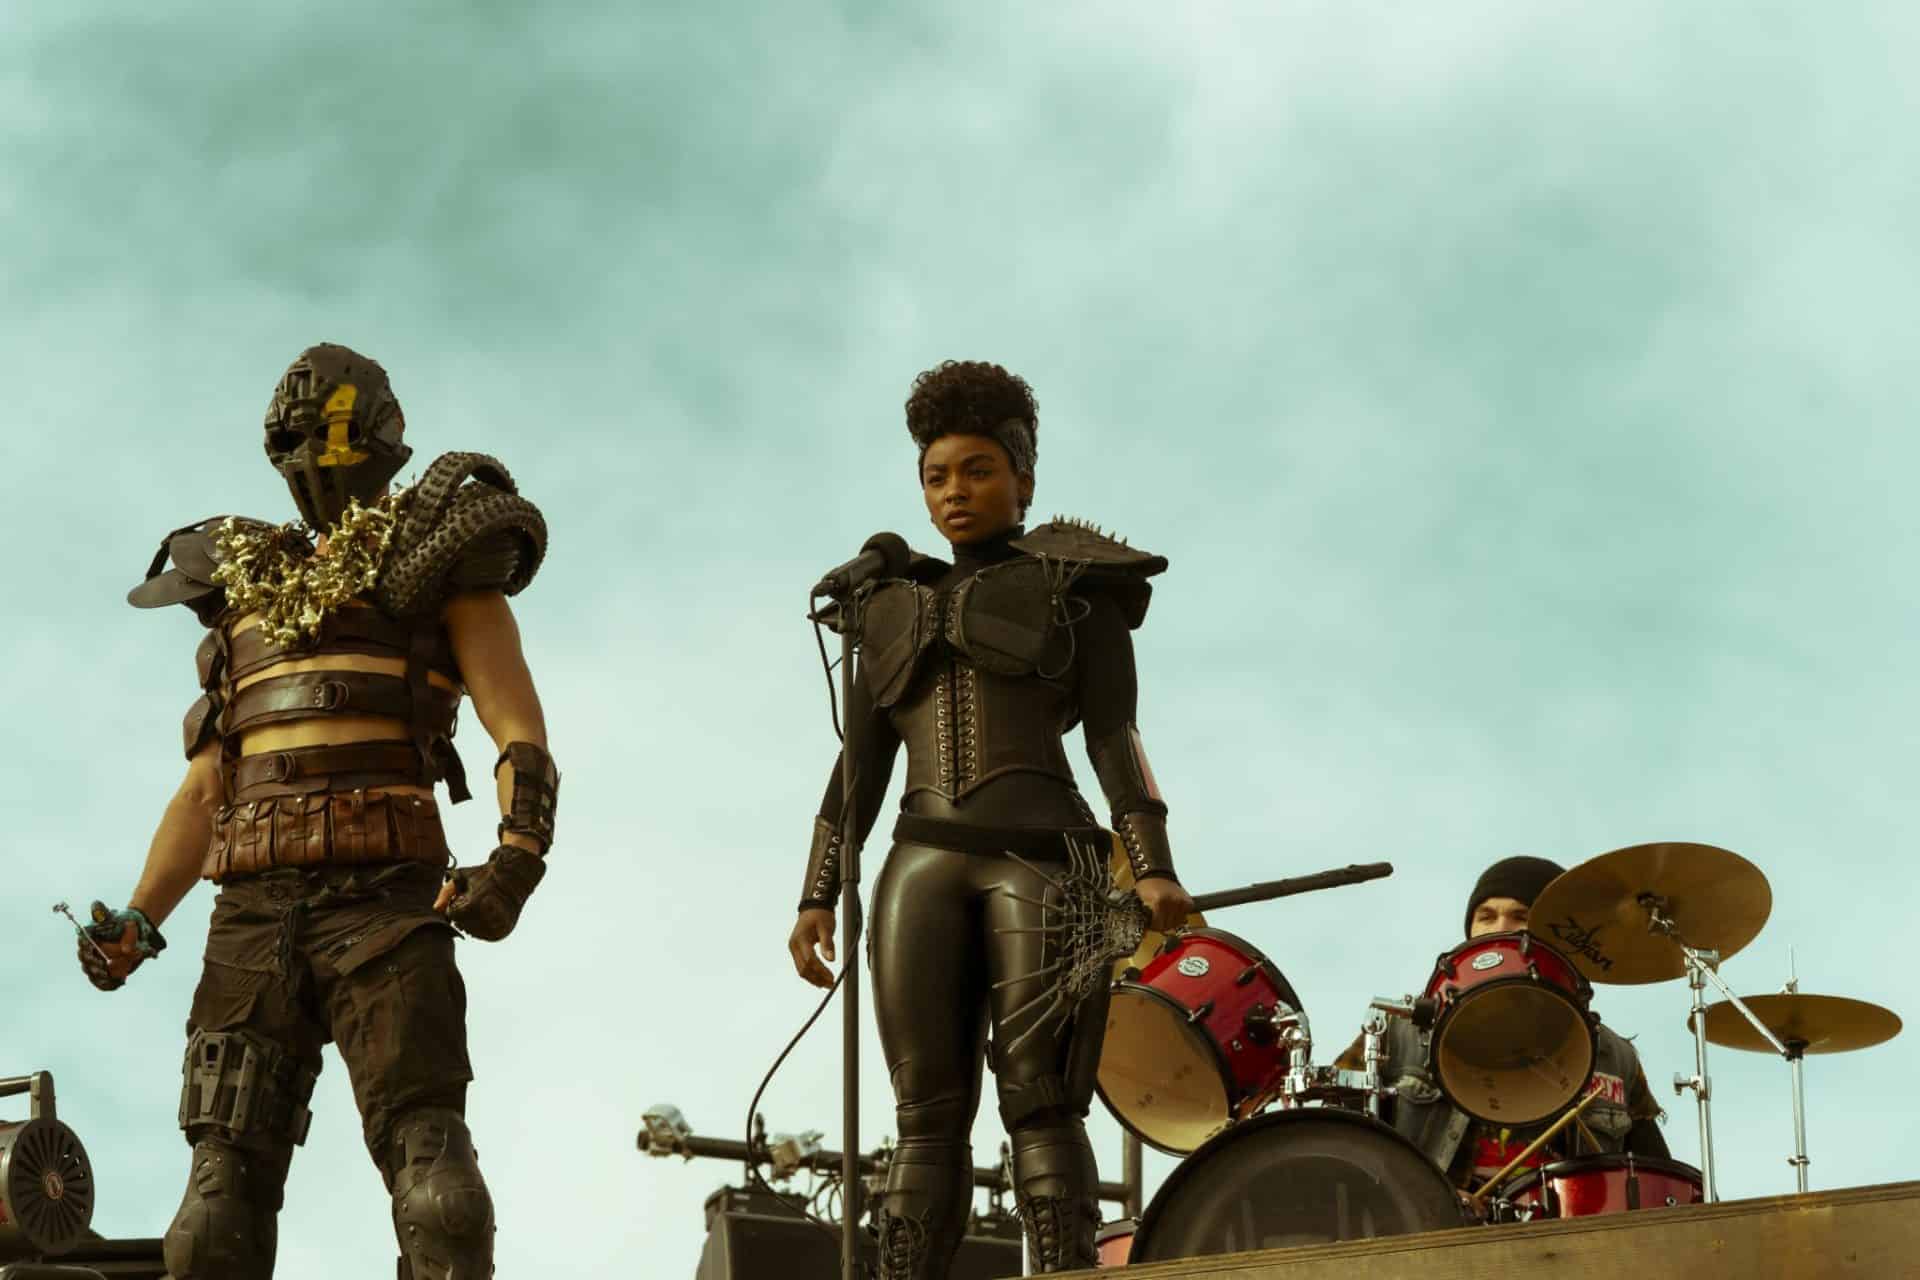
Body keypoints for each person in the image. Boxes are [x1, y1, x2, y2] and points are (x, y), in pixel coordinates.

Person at [78, 343, 558, 1280]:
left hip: (385, 902)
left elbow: (518, 730)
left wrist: (518, 853)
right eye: (294, 435)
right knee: (212, 1219)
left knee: (439, 1194)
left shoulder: (441, 562)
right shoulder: (240, 592)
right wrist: (139, 918)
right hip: (251, 913)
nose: (312, 454)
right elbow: (206, 789)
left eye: (325, 431)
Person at [785, 360, 1195, 1276]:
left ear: (1024, 478)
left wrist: (1153, 864)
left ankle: (1062, 1272)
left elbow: (1116, 735)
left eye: (977, 470)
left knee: (1042, 1102)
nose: (954, 492)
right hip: (919, 864)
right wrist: (816, 893)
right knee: (923, 1117)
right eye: (936, 476)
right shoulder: (881, 604)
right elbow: (860, 765)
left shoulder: (1081, 587)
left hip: (1045, 861)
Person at [1368, 856, 1669, 1206]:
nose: (1501, 928)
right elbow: (1336, 1151)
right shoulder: (1395, 1032)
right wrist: (1429, 1198)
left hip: (1567, 1234)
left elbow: (1662, 1184)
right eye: (1486, 916)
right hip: (1428, 1229)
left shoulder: (1613, 1056)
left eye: (1520, 917)